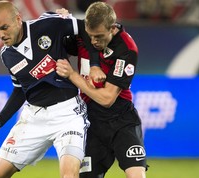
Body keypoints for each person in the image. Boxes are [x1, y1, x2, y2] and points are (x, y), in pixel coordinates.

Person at [0, 1, 98, 178]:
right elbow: (20, 90)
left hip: (68, 115)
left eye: (4, 27)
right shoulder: (7, 55)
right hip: (34, 118)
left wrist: (94, 65)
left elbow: (86, 29)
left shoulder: (48, 25)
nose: (1, 35)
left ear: (18, 19)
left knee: (69, 176)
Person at [56, 2, 148, 178]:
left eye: (99, 36)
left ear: (112, 29)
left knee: (137, 176)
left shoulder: (126, 48)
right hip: (91, 123)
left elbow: (107, 99)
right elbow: (55, 41)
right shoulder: (82, 36)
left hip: (121, 120)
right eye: (90, 36)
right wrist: (59, 20)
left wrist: (73, 76)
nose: (94, 42)